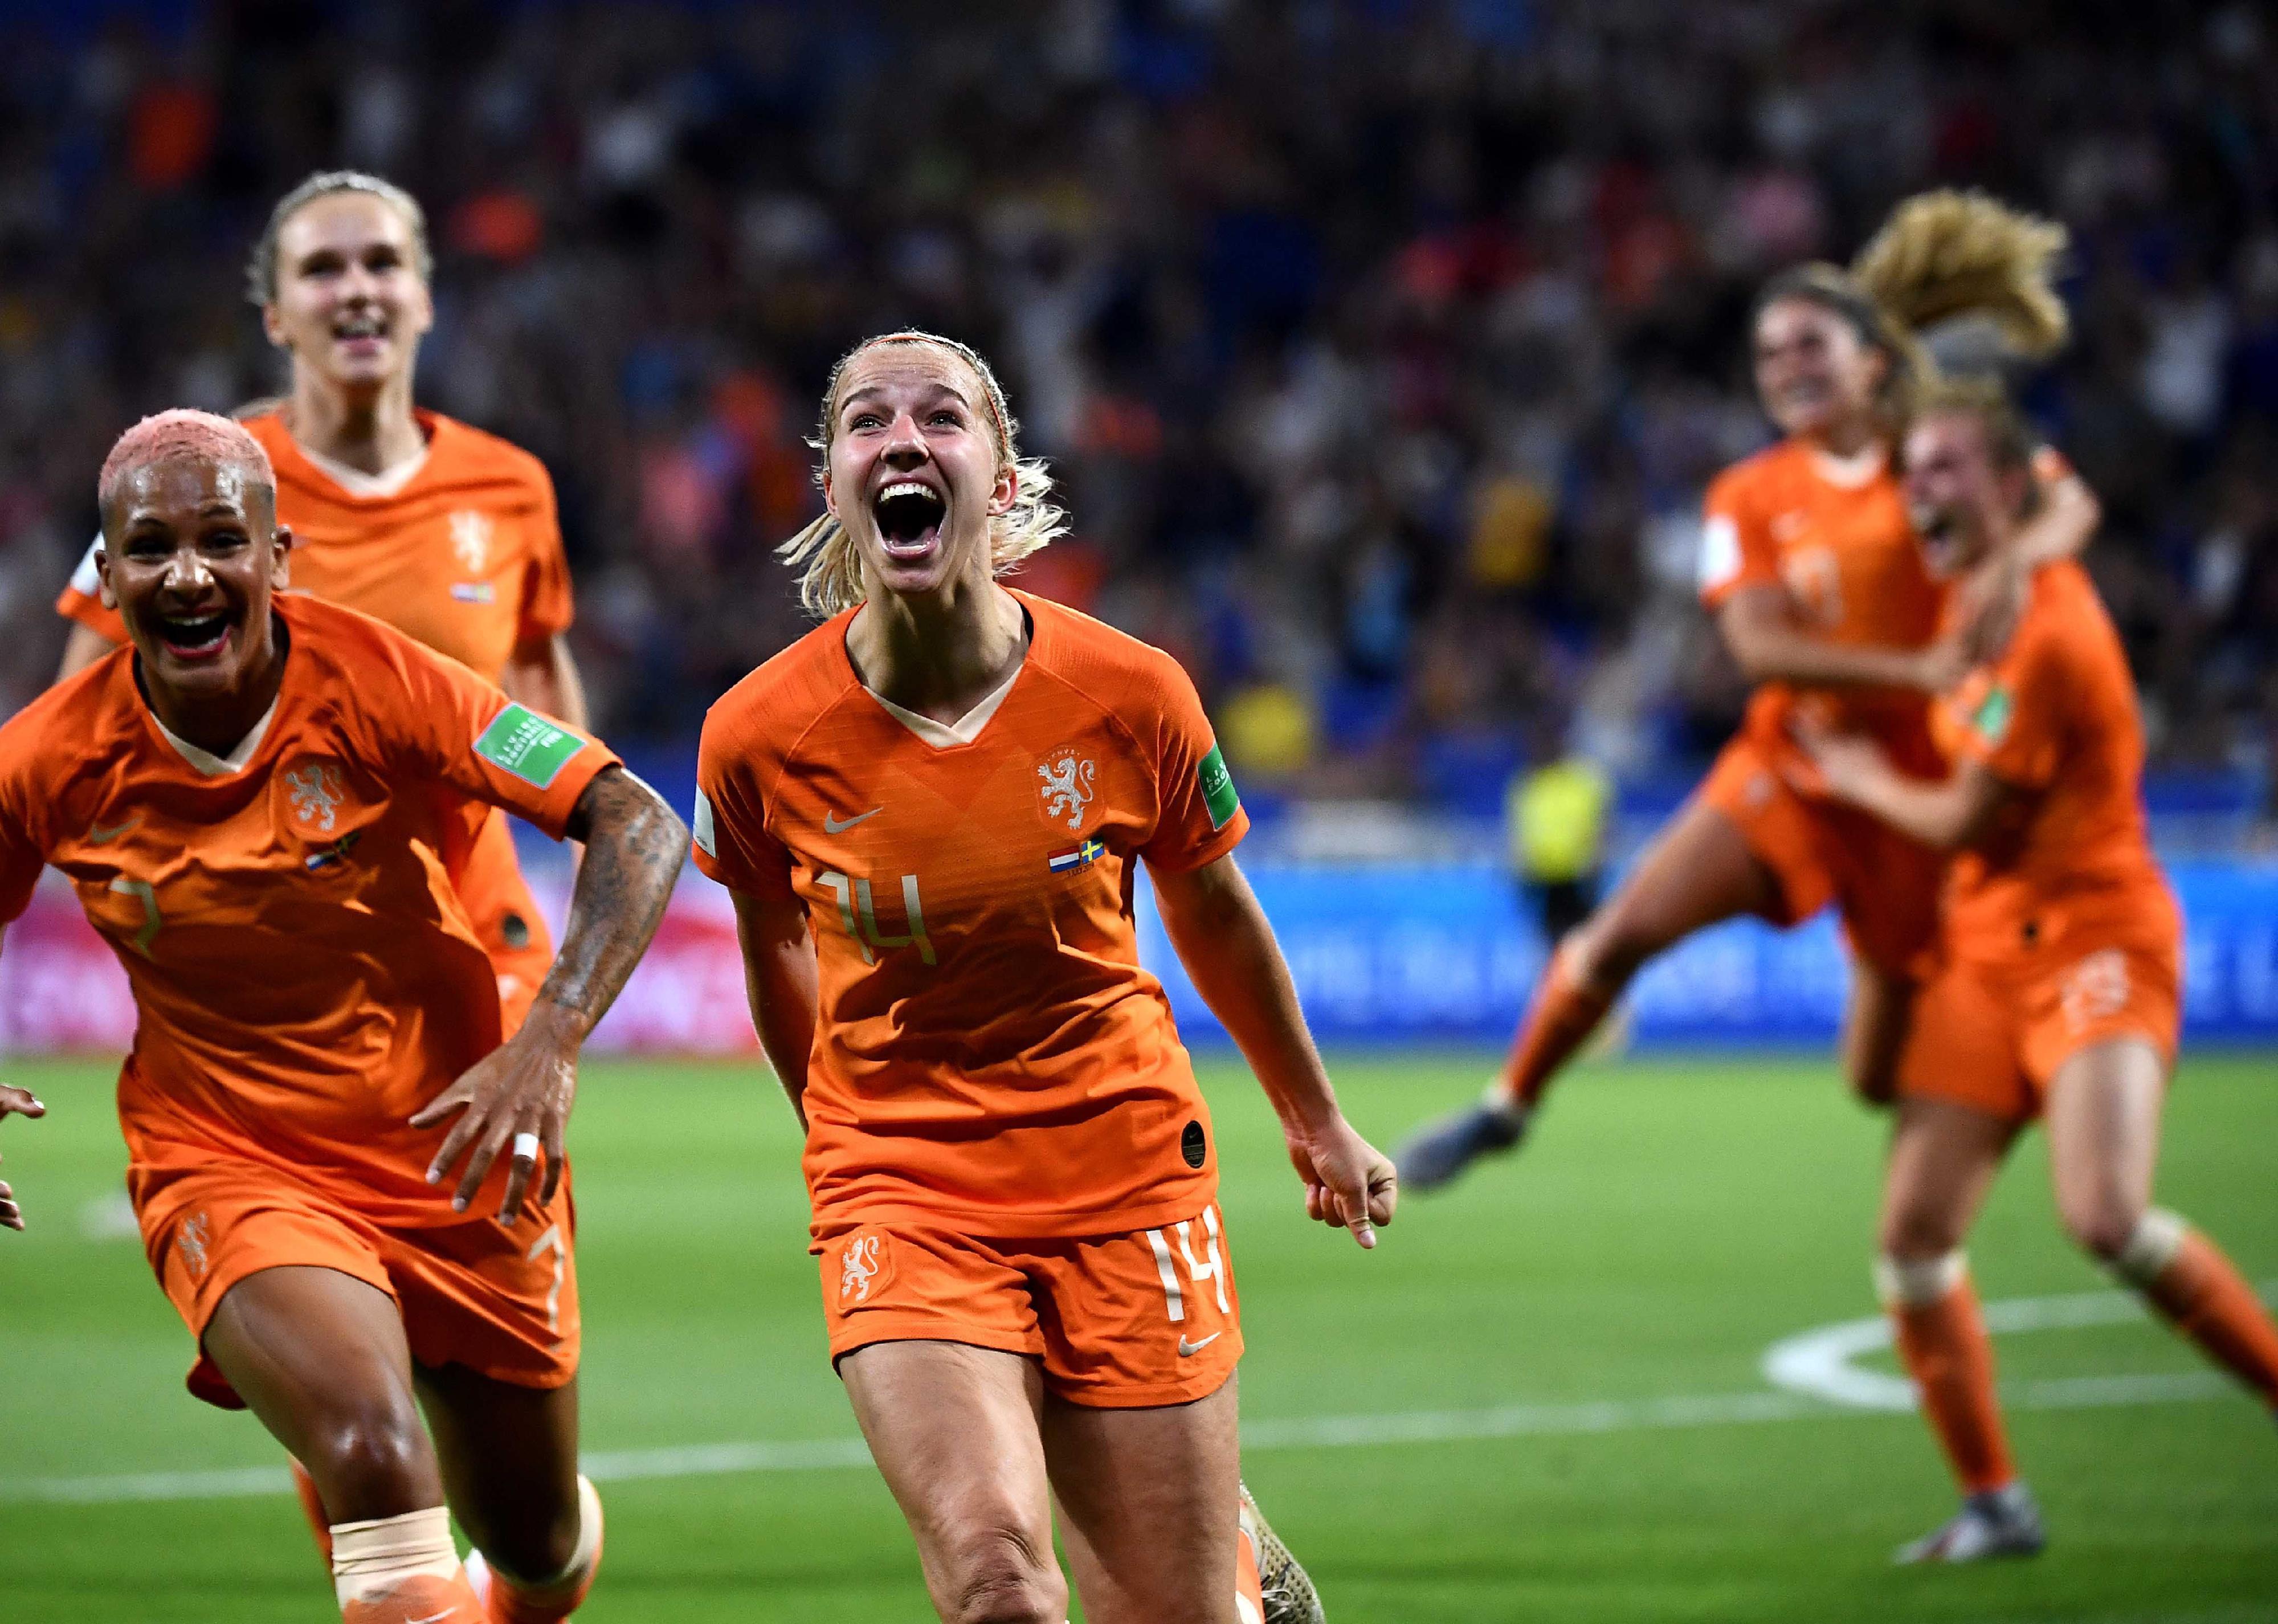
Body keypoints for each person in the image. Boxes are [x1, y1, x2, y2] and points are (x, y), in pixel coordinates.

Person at [693, 330, 1393, 1624]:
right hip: (904, 1189)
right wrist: (842, 1152)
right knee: (997, 1578)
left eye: (942, 419)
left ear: (1003, 479)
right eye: (866, 422)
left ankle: (1217, 1558)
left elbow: (1217, 913)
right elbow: (772, 947)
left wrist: (1315, 1120)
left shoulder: (1130, 695)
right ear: (834, 483)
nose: (903, 440)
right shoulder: (755, 738)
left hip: (1122, 1171)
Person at [0, 410, 688, 1623]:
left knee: (531, 1544)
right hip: (232, 1156)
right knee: (371, 1450)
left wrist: (552, 1036)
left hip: (456, 1145)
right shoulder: (50, 758)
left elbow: (634, 818)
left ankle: (524, 1576)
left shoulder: (381, 679)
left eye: (223, 538)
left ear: (280, 556)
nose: (190, 573)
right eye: (150, 548)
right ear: (107, 583)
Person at [1397, 191, 2102, 1190]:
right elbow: (1760, 648)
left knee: (1871, 1077)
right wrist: (1918, 669)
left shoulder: (1940, 455)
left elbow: (2070, 503)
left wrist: (2014, 564)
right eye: (1770, 356)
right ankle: (1505, 1105)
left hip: (1918, 800)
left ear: (1872, 359)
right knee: (1616, 936)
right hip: (1796, 765)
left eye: (1809, 345)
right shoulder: (1751, 494)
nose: (1786, 369)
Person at [1793, 381, 2278, 1562]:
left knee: (2103, 1214)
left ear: (2015, 485)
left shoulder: (2050, 629)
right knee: (1910, 1236)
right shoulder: (1967, 602)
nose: (1920, 489)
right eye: (1913, 471)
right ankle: (1995, 1503)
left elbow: (1962, 815)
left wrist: (1848, 778)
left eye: (1948, 468)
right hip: (1982, 953)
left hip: (2093, 941)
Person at [53, 170, 587, 1035]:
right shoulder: (203, 486)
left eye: (383, 263)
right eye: (323, 269)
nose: (358, 290)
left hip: (476, 925)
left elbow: (536, 677)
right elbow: (79, 713)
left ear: (423, 295)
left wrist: (579, 854)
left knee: (492, 1166)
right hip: (274, 941)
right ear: (275, 315)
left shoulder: (510, 486)